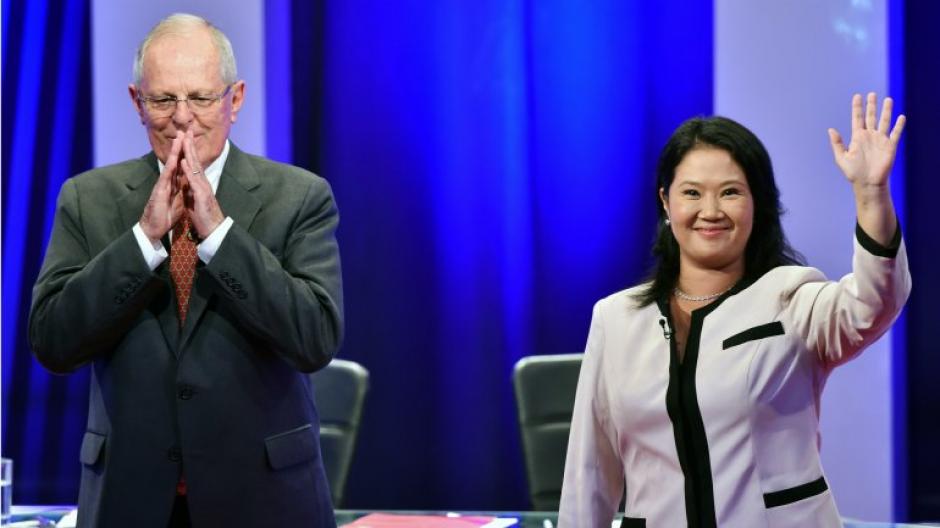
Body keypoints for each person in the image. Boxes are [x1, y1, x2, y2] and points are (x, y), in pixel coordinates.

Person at [28, 13, 342, 527]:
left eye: (200, 98)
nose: (182, 118)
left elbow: (315, 338)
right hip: (131, 501)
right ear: (136, 102)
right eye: (163, 100)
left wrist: (219, 235)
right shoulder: (88, 199)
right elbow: (53, 341)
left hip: (263, 500)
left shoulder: (300, 197)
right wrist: (143, 241)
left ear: (234, 100)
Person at [558, 93, 910, 527]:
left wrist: (871, 195)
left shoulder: (791, 298)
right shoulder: (616, 318)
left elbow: (873, 304)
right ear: (666, 202)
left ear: (756, 204)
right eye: (692, 193)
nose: (711, 211)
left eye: (730, 193)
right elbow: (588, 470)